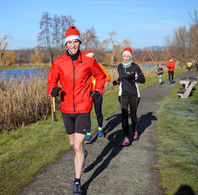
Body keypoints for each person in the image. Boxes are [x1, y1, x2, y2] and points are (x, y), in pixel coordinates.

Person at [47, 26, 106, 195]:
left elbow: (100, 76)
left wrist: (97, 91)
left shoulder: (88, 61)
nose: (73, 45)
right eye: (70, 42)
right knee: (73, 144)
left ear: (79, 43)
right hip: (66, 108)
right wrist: (53, 90)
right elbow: (51, 81)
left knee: (78, 145)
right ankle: (81, 153)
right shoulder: (58, 62)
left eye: (75, 42)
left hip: (82, 107)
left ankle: (77, 182)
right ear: (66, 44)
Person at [113, 47, 145, 146]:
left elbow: (143, 80)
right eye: (124, 56)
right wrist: (117, 82)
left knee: (133, 115)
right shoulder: (120, 67)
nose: (126, 58)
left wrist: (135, 77)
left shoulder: (135, 67)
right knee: (124, 117)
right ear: (122, 57)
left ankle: (135, 131)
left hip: (134, 95)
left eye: (128, 56)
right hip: (123, 95)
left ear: (130, 57)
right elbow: (121, 78)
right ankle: (126, 137)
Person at [83, 50, 111, 144]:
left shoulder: (99, 67)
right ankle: (88, 134)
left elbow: (108, 77)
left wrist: (97, 82)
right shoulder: (84, 68)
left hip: (97, 94)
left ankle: (100, 130)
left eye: (92, 57)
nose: (91, 59)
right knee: (87, 114)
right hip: (87, 94)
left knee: (98, 113)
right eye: (89, 57)